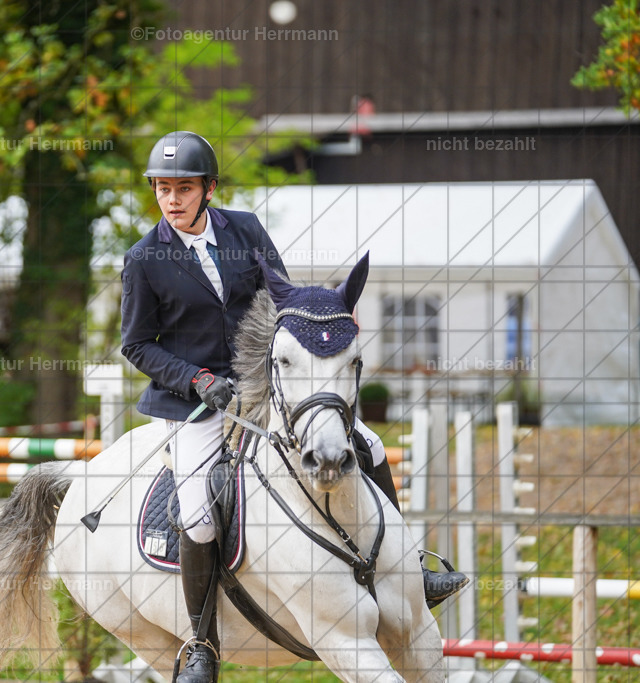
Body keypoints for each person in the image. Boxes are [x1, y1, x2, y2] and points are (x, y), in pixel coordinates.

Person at [120, 131, 468, 683]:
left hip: (268, 386)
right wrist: (197, 379)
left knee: (370, 445)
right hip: (199, 401)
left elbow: (279, 296)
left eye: (183, 188)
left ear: (208, 188)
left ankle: (411, 574)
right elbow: (136, 344)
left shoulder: (246, 230)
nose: (172, 199)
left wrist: (320, 320)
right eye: (163, 189)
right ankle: (200, 642)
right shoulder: (144, 259)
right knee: (198, 511)